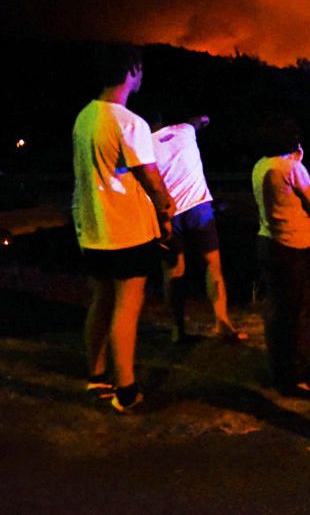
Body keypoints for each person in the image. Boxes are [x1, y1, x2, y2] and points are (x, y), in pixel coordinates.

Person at [72, 45, 175, 413]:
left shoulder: (84, 117)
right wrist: (167, 208)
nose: (142, 76)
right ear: (131, 70)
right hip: (127, 232)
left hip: (93, 229)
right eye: (140, 69)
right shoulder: (130, 122)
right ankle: (126, 388)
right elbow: (150, 177)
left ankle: (96, 375)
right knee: (126, 308)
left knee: (100, 301)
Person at [149, 113, 244, 343]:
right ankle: (222, 321)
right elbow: (198, 121)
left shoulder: (144, 146)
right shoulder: (184, 130)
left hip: (168, 213)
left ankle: (177, 329)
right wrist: (203, 119)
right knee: (213, 267)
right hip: (199, 209)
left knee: (173, 272)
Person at [252, 119, 310, 394]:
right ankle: (297, 375)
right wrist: (299, 163)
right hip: (293, 246)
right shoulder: (291, 167)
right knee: (300, 312)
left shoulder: (261, 165)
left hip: (269, 241)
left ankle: (279, 369)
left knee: (278, 310)